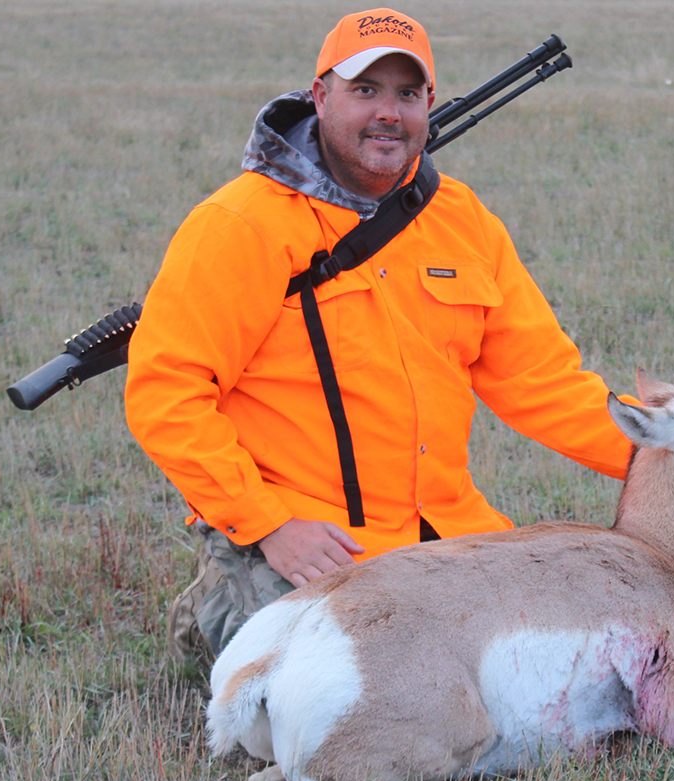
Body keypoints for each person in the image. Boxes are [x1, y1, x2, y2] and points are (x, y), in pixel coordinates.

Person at [125, 8, 633, 658]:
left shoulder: (463, 220)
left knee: (573, 653)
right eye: (365, 90)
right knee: (372, 690)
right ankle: (226, 598)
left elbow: (545, 384)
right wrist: (270, 524)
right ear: (320, 96)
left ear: (427, 103)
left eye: (405, 93)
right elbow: (166, 394)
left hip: (446, 533)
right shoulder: (240, 225)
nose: (387, 112)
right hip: (312, 536)